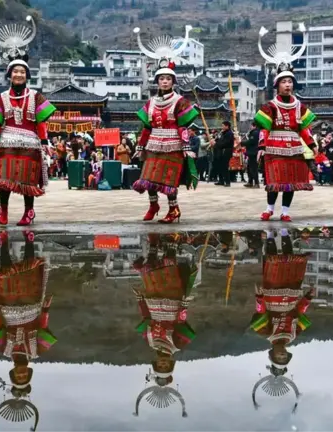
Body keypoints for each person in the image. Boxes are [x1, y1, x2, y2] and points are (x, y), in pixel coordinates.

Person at [0, 13, 56, 226]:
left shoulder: (36, 97)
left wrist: (44, 142)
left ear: (27, 75)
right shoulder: (1, 98)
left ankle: (29, 212)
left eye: (22, 71)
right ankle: (3, 211)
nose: (18, 75)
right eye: (15, 71)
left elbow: (41, 122)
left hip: (30, 143)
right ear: (9, 74)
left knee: (28, 180)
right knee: (4, 179)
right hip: (6, 143)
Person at [0, 230, 55, 431]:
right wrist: (45, 309)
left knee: (6, 272)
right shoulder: (38, 350)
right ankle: (29, 239)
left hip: (7, 307)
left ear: (14, 374)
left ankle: (4, 241)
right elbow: (43, 326)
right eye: (25, 377)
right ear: (29, 374)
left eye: (19, 377)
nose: (22, 374)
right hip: (32, 306)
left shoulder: (4, 350)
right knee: (29, 271)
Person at [132, 26, 199, 224]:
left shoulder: (180, 101)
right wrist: (140, 146)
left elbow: (182, 127)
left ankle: (174, 209)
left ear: (173, 81)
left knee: (169, 180)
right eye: (161, 78)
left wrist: (186, 147)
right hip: (153, 143)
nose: (164, 81)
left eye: (168, 78)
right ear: (157, 81)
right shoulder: (151, 102)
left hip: (173, 145)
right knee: (149, 177)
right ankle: (153, 205)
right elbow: (147, 127)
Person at [132, 234, 196, 418]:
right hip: (172, 303)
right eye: (165, 365)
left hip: (153, 303)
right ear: (170, 363)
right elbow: (182, 323)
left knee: (150, 271)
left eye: (159, 365)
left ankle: (153, 245)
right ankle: (171, 242)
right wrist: (183, 307)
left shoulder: (151, 341)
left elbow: (146, 319)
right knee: (169, 269)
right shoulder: (177, 344)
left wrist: (140, 301)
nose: (162, 363)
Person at [255, 24, 315, 222]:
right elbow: (264, 129)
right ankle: (269, 208)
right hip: (274, 147)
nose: (288, 85)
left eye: (290, 81)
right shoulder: (270, 106)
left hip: (294, 147)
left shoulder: (300, 106)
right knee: (275, 180)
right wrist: (262, 147)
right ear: (277, 85)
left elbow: (304, 129)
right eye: (284, 82)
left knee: (290, 181)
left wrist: (313, 146)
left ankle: (286, 211)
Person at [250, 228, 311, 411]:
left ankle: (269, 236)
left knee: (272, 264)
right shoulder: (294, 334)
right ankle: (284, 234)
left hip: (273, 295)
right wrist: (307, 299)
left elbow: (260, 314)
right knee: (291, 261)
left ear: (272, 354)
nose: (282, 354)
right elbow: (300, 313)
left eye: (279, 356)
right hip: (292, 295)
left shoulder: (266, 333)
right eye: (284, 357)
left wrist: (260, 299)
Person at [211, 121, 234, 187]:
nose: (222, 127)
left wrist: (215, 144)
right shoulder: (222, 133)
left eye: (223, 125)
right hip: (220, 152)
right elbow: (220, 141)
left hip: (226, 152)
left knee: (224, 167)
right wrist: (215, 141)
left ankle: (227, 182)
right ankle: (221, 181)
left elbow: (225, 143)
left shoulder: (229, 133)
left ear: (227, 126)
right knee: (220, 167)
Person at [243, 123, 260, 188]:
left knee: (253, 168)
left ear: (254, 126)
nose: (250, 127)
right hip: (251, 152)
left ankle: (256, 183)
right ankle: (250, 182)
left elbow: (251, 142)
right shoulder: (252, 132)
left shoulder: (255, 133)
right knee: (249, 168)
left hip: (254, 152)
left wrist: (242, 143)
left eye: (251, 126)